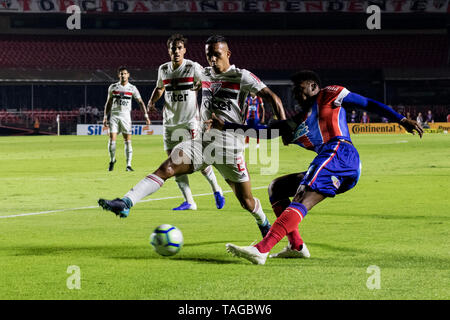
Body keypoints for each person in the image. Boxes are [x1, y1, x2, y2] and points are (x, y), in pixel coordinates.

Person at [221, 70, 423, 265]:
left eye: (301, 89)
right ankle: (296, 246)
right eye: (294, 93)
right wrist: (225, 127)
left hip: (339, 152)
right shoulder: (298, 121)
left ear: (313, 86)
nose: (297, 95)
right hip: (335, 162)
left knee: (301, 196)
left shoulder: (330, 94)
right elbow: (264, 132)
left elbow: (368, 103)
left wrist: (401, 119)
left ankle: (261, 249)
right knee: (278, 187)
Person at [98, 35, 286, 238]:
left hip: (230, 148)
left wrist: (284, 128)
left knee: (246, 201)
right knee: (167, 167)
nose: (212, 59)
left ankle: (263, 222)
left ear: (228, 54)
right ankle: (126, 202)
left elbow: (273, 97)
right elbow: (187, 84)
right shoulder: (203, 74)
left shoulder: (241, 76)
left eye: (217, 55)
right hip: (203, 143)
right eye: (209, 55)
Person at [147, 34, 225, 211]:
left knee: (198, 160)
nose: (176, 51)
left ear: (184, 50)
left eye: (179, 48)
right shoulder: (163, 69)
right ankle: (189, 201)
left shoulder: (192, 67)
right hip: (169, 123)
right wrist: (152, 102)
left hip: (189, 122)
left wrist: (201, 86)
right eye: (173, 48)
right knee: (173, 161)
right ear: (169, 50)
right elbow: (159, 88)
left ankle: (216, 189)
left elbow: (208, 79)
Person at [103, 66, 150, 172]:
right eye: (121, 73)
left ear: (128, 75)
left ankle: (128, 165)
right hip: (114, 116)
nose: (123, 75)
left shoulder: (132, 88)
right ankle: (112, 160)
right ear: (118, 75)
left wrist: (146, 116)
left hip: (125, 116)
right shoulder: (113, 87)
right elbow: (108, 103)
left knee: (128, 141)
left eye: (124, 73)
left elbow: (141, 102)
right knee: (112, 141)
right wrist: (105, 117)